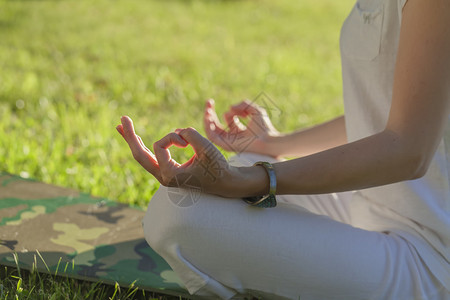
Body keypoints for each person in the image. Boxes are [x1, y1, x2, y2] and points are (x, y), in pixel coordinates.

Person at [116, 0, 450, 298]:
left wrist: (257, 180)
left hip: (429, 254)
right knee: (210, 186)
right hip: (364, 204)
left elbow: (409, 149)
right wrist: (277, 144)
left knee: (176, 215)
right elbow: (387, 110)